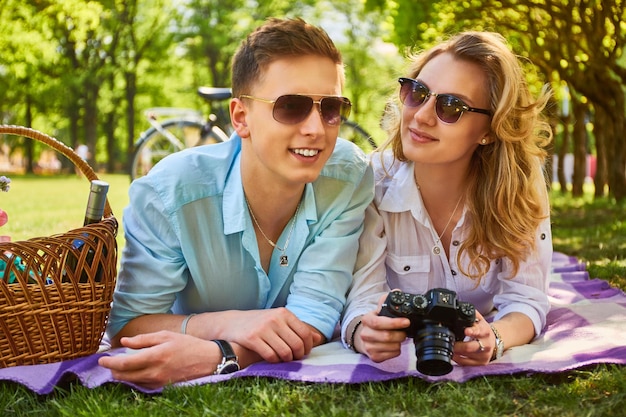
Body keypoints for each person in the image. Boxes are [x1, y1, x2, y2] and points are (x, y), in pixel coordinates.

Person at [98, 17, 374, 388]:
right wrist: (227, 323)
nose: (316, 128)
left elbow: (314, 313)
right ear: (241, 117)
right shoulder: (169, 193)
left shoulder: (348, 176)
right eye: (291, 106)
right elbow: (129, 324)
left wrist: (222, 355)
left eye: (331, 108)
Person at [341, 31, 553, 368]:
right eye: (417, 92)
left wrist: (496, 337)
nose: (422, 115)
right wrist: (362, 333)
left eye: (450, 106)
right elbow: (361, 298)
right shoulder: (371, 182)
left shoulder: (519, 187)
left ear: (489, 129)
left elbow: (526, 299)